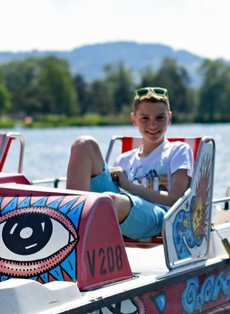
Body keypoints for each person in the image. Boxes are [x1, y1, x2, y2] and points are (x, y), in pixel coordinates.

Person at [65, 86, 193, 239]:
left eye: (160, 117)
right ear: (134, 120)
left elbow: (176, 199)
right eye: (145, 118)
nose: (153, 124)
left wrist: (128, 185)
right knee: (84, 144)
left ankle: (77, 236)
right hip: (126, 210)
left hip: (160, 218)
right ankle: (69, 226)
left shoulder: (178, 150)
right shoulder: (124, 159)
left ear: (169, 118)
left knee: (109, 201)